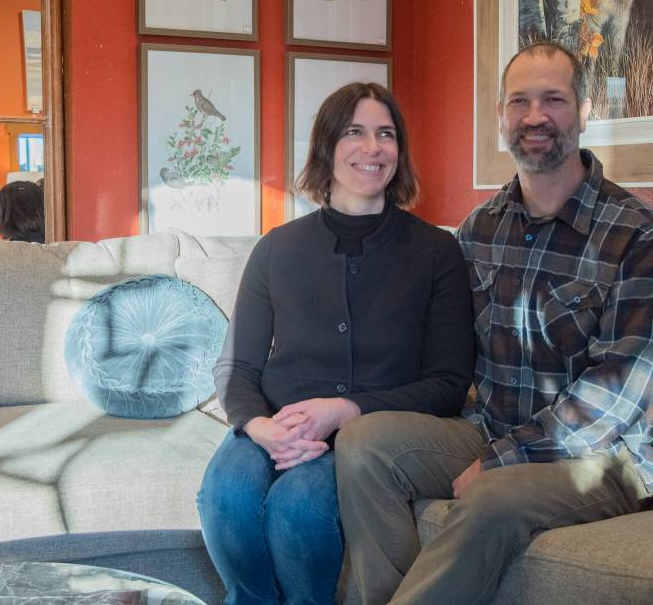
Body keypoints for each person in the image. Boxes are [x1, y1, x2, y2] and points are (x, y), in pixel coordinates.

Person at [335, 42, 653, 605]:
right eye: (520, 102)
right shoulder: (479, 228)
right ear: (502, 117)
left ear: (582, 113)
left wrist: (504, 459)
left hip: (607, 456)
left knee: (493, 495)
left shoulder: (635, 234)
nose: (535, 116)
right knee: (366, 443)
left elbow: (614, 400)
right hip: (490, 426)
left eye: (553, 100)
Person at [197, 82, 475, 605]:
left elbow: (449, 385)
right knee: (226, 496)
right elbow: (236, 366)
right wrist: (259, 428)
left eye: (385, 134)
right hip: (275, 423)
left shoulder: (436, 252)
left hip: (367, 434)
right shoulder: (277, 248)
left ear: (400, 151)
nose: (372, 148)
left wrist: (344, 410)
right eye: (355, 132)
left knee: (298, 508)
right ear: (327, 146)